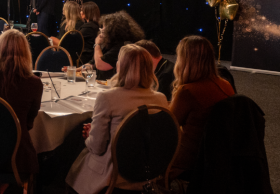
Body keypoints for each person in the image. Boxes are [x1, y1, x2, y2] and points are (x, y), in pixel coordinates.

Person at [66, 44, 169, 194]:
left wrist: (90, 136)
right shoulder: (161, 99)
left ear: (121, 67)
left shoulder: (107, 98)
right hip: (147, 173)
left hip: (113, 174)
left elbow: (97, 147)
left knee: (71, 151)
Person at [0, 29, 43, 194]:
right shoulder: (34, 83)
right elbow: (29, 122)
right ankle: (1, 188)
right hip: (17, 156)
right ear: (26, 53)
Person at [169, 36, 235, 180]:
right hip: (216, 158)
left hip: (188, 162)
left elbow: (168, 125)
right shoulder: (225, 84)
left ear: (185, 61)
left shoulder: (188, 91)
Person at [87, 10, 145, 80]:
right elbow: (92, 64)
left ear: (111, 29)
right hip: (98, 82)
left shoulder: (122, 46)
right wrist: (76, 70)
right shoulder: (109, 43)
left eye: (104, 27)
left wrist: (97, 44)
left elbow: (100, 65)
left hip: (110, 85)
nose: (101, 30)